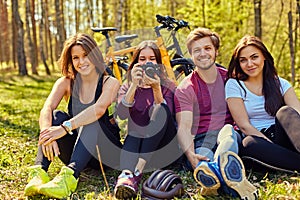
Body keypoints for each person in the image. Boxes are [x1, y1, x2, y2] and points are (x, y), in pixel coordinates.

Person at [24, 33, 122, 199]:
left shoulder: (109, 82)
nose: (81, 62)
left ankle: (69, 179)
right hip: (79, 151)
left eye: (86, 55)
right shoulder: (66, 82)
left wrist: (64, 128)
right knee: (55, 116)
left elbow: (98, 109)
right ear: (70, 60)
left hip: (105, 154)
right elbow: (47, 108)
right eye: (76, 57)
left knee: (92, 120)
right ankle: (38, 173)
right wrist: (46, 133)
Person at [174, 27, 258, 199]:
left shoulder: (231, 79)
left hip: (230, 137)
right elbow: (184, 127)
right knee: (204, 160)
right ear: (190, 55)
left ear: (216, 51)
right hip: (201, 140)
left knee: (228, 131)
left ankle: (217, 176)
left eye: (207, 48)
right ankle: (224, 177)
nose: (202, 53)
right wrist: (191, 156)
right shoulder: (186, 88)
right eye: (196, 50)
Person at [113, 40, 181, 199]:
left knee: (160, 108)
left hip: (163, 148)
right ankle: (127, 176)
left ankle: (137, 171)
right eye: (142, 59)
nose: (147, 63)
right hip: (137, 145)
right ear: (136, 63)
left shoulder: (168, 85)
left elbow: (166, 115)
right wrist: (133, 86)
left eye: (151, 59)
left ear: (158, 63)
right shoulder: (128, 85)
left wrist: (157, 89)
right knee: (134, 134)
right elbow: (121, 114)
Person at [225, 35, 300, 173]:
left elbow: (297, 115)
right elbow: (244, 125)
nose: (249, 64)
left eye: (254, 57)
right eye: (243, 60)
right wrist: (271, 146)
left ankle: (289, 162)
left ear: (264, 57)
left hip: (286, 138)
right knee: (248, 143)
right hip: (260, 142)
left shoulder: (281, 83)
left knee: (285, 112)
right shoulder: (234, 85)